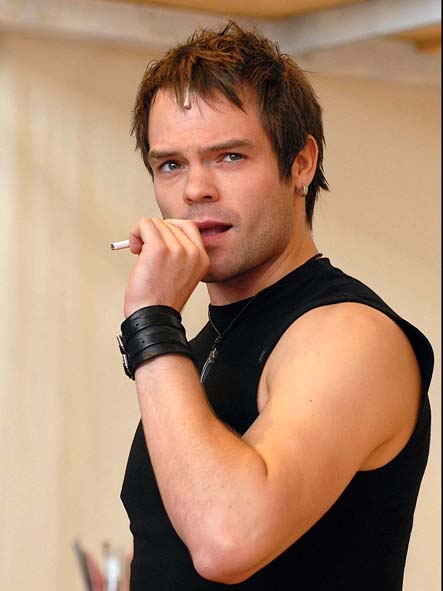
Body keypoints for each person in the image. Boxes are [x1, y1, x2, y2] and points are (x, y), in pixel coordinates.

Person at [117, 21, 433, 590]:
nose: (195, 190)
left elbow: (227, 538)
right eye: (171, 164)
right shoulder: (206, 343)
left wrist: (151, 323)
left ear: (301, 164)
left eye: (229, 156)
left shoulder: (350, 334)